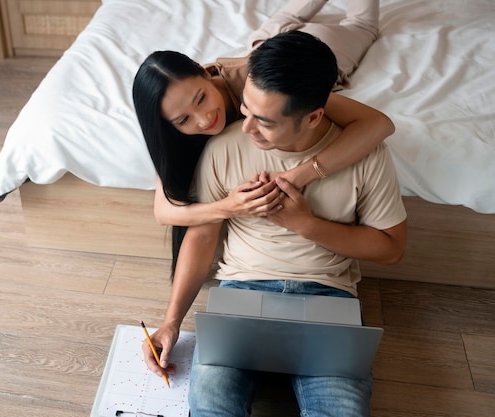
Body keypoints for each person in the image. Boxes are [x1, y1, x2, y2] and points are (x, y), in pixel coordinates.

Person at [141, 31, 407, 416]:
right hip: (241, 292)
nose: (245, 128)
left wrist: (306, 224)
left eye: (263, 121)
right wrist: (170, 322)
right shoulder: (220, 145)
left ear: (314, 115)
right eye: (244, 110)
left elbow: (392, 249)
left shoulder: (366, 155)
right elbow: (198, 236)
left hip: (327, 296)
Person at [132, 0, 386, 230]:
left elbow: (378, 124)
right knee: (278, 26)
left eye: (201, 99)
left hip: (308, 45)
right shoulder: (174, 109)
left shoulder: (272, 91)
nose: (204, 119)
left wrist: (300, 175)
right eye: (183, 120)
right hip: (262, 48)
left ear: (205, 71)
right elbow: (164, 212)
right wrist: (230, 207)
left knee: (361, 25)